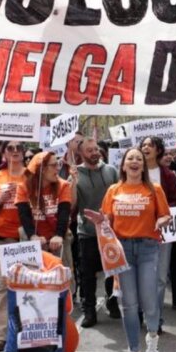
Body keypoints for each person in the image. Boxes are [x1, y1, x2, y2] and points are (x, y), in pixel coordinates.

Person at [83, 148, 170, 352]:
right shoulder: (114, 190)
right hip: (122, 251)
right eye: (130, 158)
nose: (134, 161)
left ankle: (153, 336)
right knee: (129, 304)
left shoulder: (155, 189)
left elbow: (166, 215)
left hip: (148, 249)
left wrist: (162, 221)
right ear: (123, 165)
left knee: (149, 300)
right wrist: (100, 220)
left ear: (143, 166)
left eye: (138, 159)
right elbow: (107, 219)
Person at [0, 141, 28, 351]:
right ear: (4, 153)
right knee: (4, 285)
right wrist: (0, 200)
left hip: (26, 239)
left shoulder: (32, 176)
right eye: (10, 148)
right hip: (3, 238)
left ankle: (27, 330)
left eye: (19, 148)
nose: (15, 151)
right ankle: (2, 334)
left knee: (27, 284)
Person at [73, 138, 119, 327]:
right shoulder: (75, 175)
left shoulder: (111, 171)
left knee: (113, 270)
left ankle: (112, 301)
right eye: (89, 150)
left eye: (96, 149)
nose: (94, 153)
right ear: (81, 154)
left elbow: (119, 196)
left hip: (111, 231)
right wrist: (72, 184)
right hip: (87, 233)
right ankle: (89, 310)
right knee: (88, 275)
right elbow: (72, 207)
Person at [141, 136, 176, 324]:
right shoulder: (134, 172)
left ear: (158, 150)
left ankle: (155, 318)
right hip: (138, 232)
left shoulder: (168, 175)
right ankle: (141, 313)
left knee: (160, 278)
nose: (146, 148)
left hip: (163, 233)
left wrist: (162, 212)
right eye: (143, 145)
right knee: (141, 277)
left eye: (150, 145)